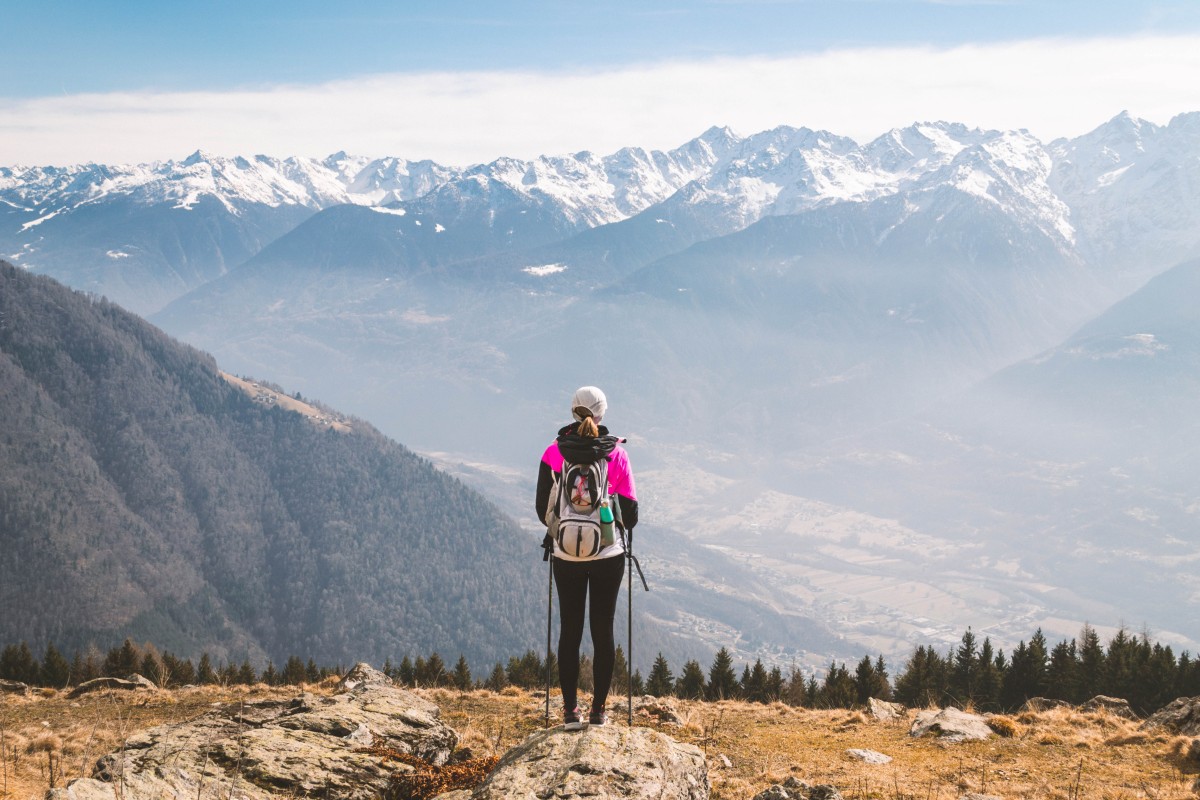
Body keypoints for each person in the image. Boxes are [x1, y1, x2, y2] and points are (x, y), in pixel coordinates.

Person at [535, 386, 638, 729]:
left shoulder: (554, 452)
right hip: (608, 553)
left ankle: (569, 712)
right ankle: (598, 712)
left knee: (570, 630)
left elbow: (541, 509)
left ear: (573, 410)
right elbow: (632, 516)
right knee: (602, 629)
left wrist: (563, 530)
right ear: (602, 413)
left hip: (566, 553)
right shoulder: (617, 455)